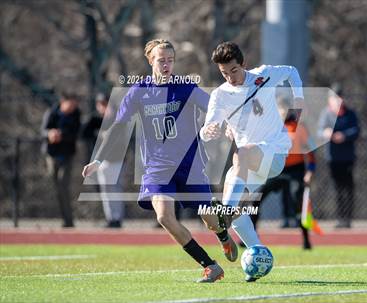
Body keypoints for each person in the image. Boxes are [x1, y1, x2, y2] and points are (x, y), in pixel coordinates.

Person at [82, 39, 237, 283]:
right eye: (161, 60)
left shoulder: (184, 87)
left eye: (170, 60)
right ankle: (210, 266)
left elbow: (213, 107)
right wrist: (98, 158)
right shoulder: (138, 91)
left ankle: (222, 234)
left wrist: (225, 125)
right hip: (157, 168)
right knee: (164, 217)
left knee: (209, 218)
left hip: (189, 164)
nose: (166, 65)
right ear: (150, 61)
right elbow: (119, 127)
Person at [201, 41, 305, 281]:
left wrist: (298, 103)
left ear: (243, 64)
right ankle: (258, 255)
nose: (230, 77)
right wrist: (210, 130)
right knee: (238, 211)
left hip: (274, 153)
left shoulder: (264, 75)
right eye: (224, 73)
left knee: (242, 155)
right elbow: (208, 126)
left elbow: (291, 71)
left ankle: (224, 214)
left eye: (234, 71)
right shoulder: (220, 95)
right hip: (247, 165)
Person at [249, 97, 316, 250]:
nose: (282, 112)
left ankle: (306, 241)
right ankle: (251, 237)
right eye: (279, 109)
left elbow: (310, 151)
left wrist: (310, 171)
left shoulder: (298, 127)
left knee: (297, 202)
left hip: (295, 171)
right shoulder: (270, 128)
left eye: (285, 109)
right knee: (255, 199)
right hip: (275, 171)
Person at [318, 86, 359, 228]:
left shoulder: (350, 113)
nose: (339, 100)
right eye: (336, 97)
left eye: (340, 96)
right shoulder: (327, 114)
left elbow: (356, 130)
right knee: (338, 188)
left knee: (348, 188)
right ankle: (340, 218)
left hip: (347, 157)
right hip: (333, 158)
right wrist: (326, 133)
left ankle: (348, 219)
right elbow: (319, 131)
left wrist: (344, 136)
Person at [82, 94, 125, 228]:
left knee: (115, 190)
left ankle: (117, 218)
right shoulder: (96, 120)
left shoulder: (118, 119)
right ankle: (111, 218)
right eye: (100, 105)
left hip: (116, 160)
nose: (103, 108)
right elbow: (83, 132)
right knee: (106, 191)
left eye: (105, 104)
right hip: (102, 162)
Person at [41, 92, 81, 228]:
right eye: (71, 103)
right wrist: (50, 134)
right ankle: (63, 218)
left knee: (63, 185)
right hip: (52, 155)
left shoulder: (76, 114)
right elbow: (43, 131)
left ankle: (68, 220)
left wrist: (61, 135)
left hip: (67, 156)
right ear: (63, 102)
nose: (74, 106)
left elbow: (76, 133)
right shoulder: (52, 112)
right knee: (56, 187)